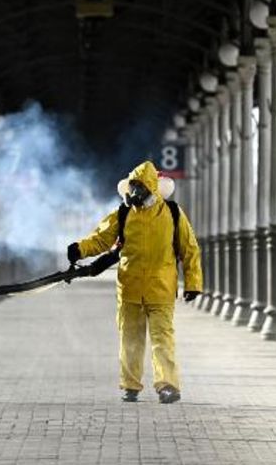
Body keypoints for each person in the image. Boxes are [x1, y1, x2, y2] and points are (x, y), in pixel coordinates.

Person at [67, 160, 203, 404]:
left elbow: (189, 249)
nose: (136, 192)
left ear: (152, 188)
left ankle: (168, 386)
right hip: (129, 287)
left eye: (141, 187)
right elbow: (100, 239)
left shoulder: (172, 213)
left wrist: (193, 283)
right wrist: (79, 249)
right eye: (134, 186)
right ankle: (131, 385)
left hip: (160, 288)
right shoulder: (123, 213)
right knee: (130, 339)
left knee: (163, 339)